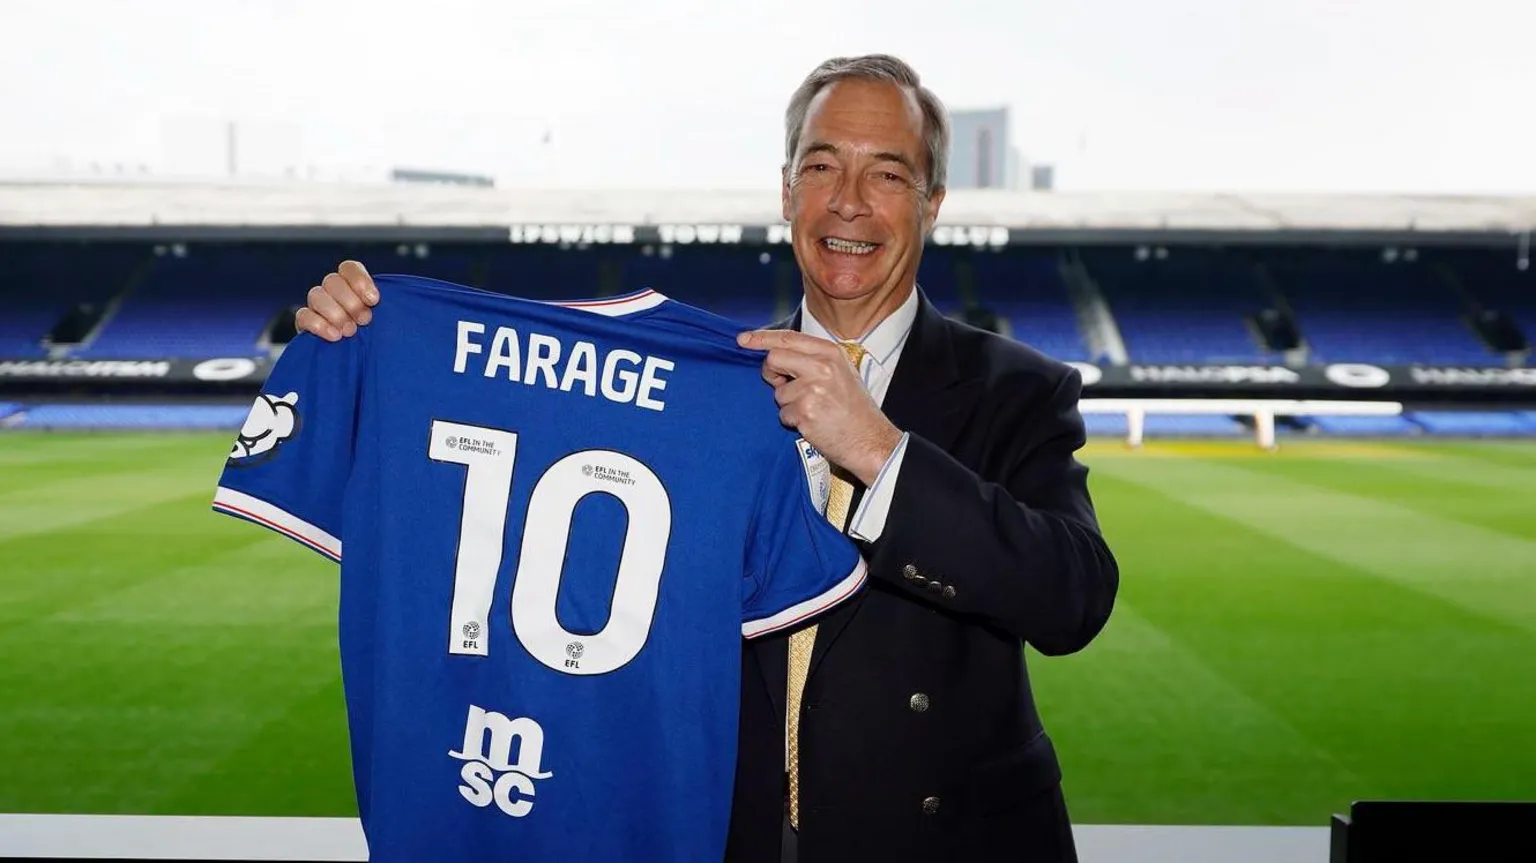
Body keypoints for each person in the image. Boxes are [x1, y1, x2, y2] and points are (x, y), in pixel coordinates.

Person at [293, 54, 1118, 863]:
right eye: (822, 165)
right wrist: (366, 345)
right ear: (787, 189)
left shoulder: (1018, 388)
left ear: (933, 202)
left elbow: (1073, 598)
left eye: (889, 175)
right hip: (729, 836)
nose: (849, 202)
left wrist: (875, 447)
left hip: (945, 841)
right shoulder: (701, 387)